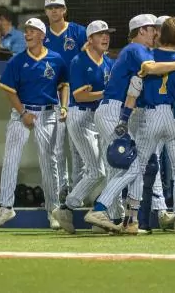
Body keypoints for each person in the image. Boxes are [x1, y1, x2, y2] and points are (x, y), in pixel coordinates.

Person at [82, 14, 175, 233]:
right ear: (142, 30)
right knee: (136, 167)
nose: (155, 33)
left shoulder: (143, 53)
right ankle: (101, 209)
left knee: (130, 167)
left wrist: (125, 117)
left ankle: (128, 220)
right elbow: (152, 70)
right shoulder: (137, 50)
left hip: (129, 112)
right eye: (152, 29)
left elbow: (137, 84)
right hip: (117, 110)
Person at [0, 18, 68, 229]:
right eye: (26, 31)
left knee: (49, 162)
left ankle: (53, 210)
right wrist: (23, 112)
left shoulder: (56, 59)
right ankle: (6, 207)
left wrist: (64, 107)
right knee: (11, 158)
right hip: (22, 112)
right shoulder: (17, 60)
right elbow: (9, 91)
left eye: (32, 31)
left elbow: (64, 85)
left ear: (42, 35)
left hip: (48, 113)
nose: (27, 34)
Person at [51, 20, 115, 233]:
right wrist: (104, 93)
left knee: (104, 170)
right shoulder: (79, 61)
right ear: (90, 39)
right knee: (97, 171)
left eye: (107, 33)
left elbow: (96, 93)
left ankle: (72, 209)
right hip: (80, 117)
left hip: (99, 117)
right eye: (100, 34)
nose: (105, 37)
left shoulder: (108, 62)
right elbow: (80, 96)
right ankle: (69, 207)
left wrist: (97, 94)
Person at [42, 0, 88, 201]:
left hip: (78, 94)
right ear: (46, 11)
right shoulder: (42, 34)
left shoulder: (78, 31)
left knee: (79, 147)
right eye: (50, 8)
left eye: (58, 7)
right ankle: (62, 189)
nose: (54, 11)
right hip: (54, 95)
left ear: (64, 10)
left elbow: (90, 57)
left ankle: (78, 191)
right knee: (57, 147)